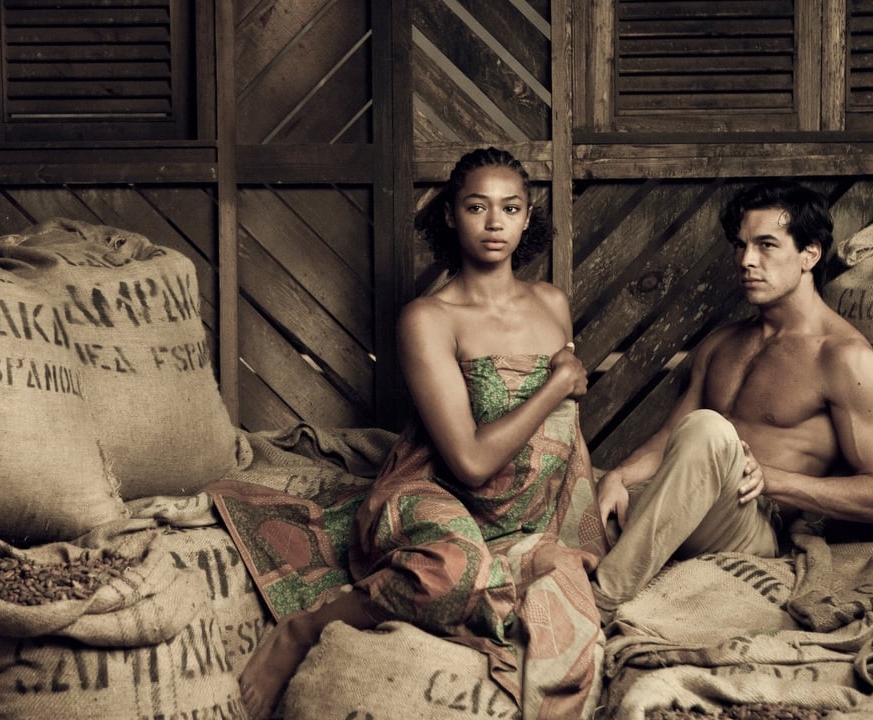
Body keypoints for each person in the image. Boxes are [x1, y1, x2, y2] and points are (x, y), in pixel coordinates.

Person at [210, 147, 608, 720]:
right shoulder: (428, 318)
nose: (495, 223)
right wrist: (557, 383)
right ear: (450, 214)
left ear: (527, 218)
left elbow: (564, 436)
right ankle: (307, 627)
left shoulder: (552, 303)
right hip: (442, 489)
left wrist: (574, 520)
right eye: (477, 206)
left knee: (568, 603)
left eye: (511, 208)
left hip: (527, 508)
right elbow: (470, 461)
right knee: (453, 574)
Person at [590, 180, 873, 615]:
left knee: (708, 429)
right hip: (686, 499)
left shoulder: (848, 361)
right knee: (571, 480)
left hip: (754, 524)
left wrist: (773, 480)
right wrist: (618, 478)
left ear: (809, 254)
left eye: (766, 245)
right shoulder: (722, 343)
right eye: (740, 246)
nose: (746, 260)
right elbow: (669, 439)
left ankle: (601, 599)